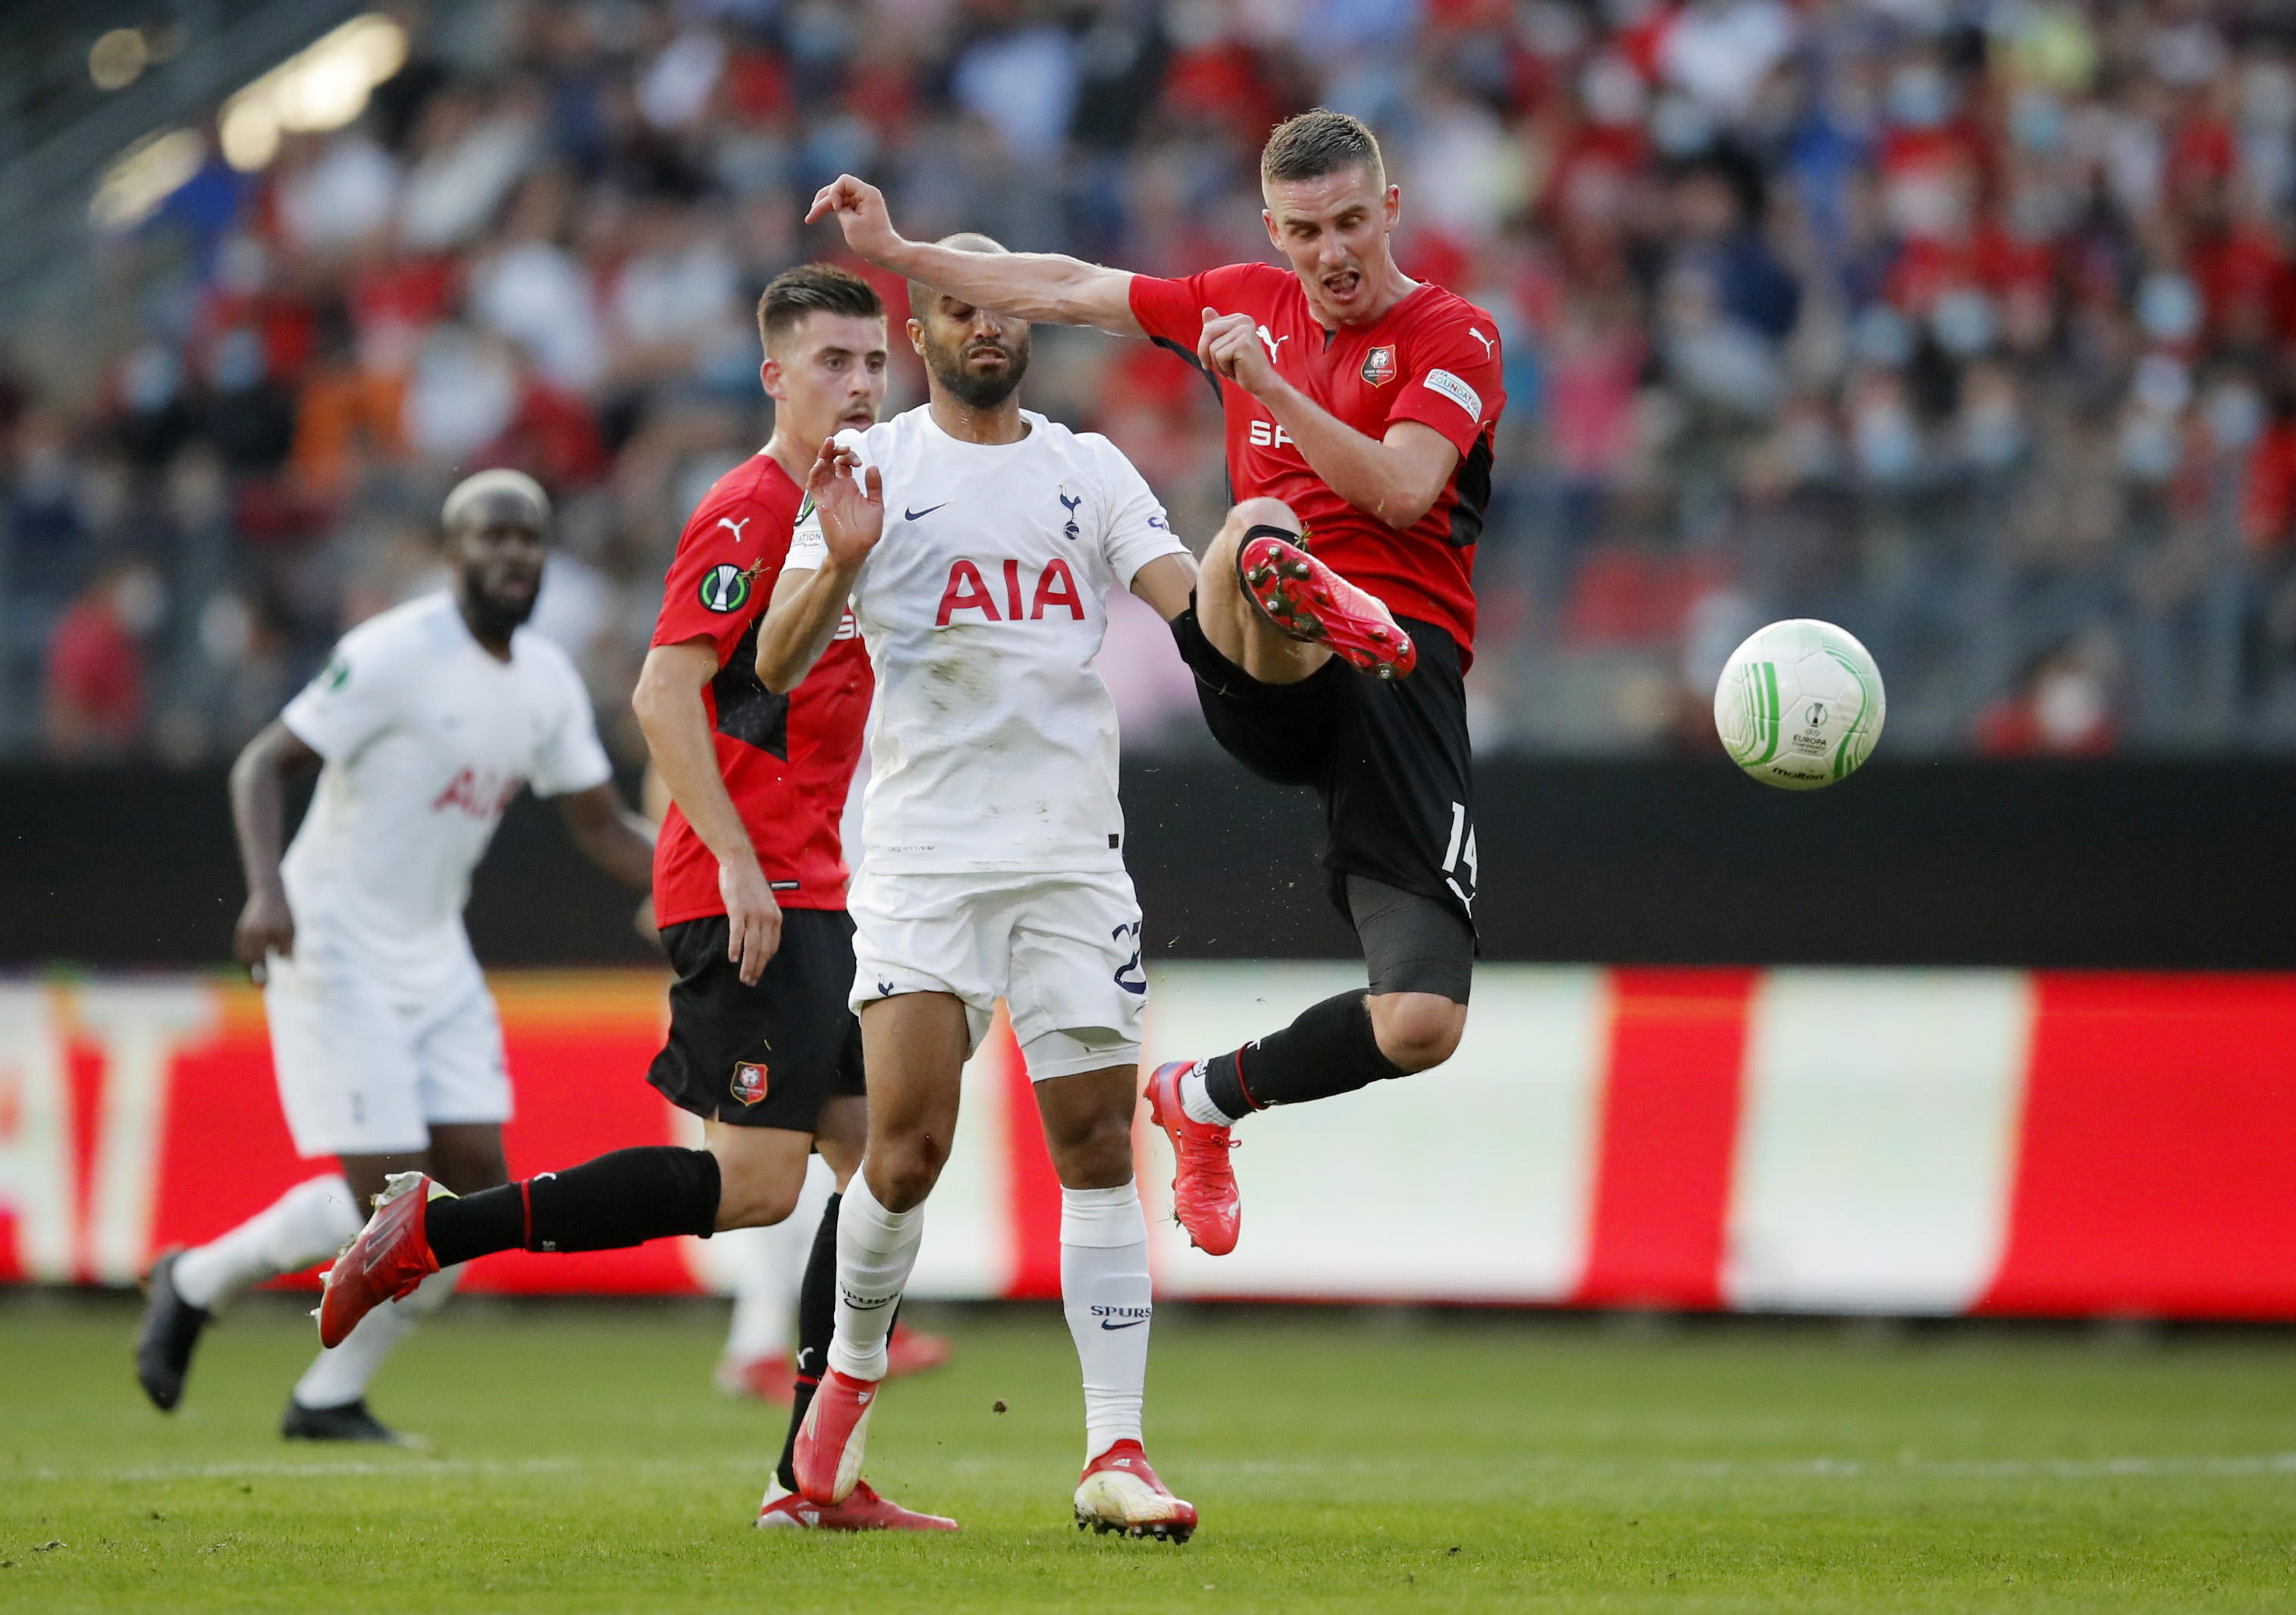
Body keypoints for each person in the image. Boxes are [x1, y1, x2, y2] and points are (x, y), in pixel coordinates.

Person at [806, 108, 1506, 1257]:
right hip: (1271, 664)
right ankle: (1290, 584)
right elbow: (1069, 283)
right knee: (1256, 528)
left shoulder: (1455, 335)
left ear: (1390, 211)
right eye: (1303, 232)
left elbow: (1400, 492)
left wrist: (1270, 391)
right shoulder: (1243, 295)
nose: (1330, 253)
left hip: (1404, 678)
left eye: (1347, 224)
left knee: (1424, 1020)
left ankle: (1207, 1096)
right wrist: (899, 255)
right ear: (1272, 231)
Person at [316, 265, 950, 1532]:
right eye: (833, 362)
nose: (861, 384)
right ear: (775, 377)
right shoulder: (749, 505)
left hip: (823, 886)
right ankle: (437, 1236)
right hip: (754, 886)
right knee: (760, 1189)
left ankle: (812, 1472)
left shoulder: (859, 504)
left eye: (874, 362)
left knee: (887, 1162)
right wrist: (725, 858)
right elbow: (664, 695)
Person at [770, 236, 1203, 1539]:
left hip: (1071, 860)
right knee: (902, 1154)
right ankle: (844, 1385)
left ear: (1026, 321)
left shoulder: (1089, 469)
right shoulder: (874, 470)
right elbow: (776, 664)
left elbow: (1191, 608)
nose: (983, 328)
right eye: (955, 309)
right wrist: (840, 562)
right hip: (923, 861)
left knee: (1091, 1150)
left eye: (1001, 307)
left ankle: (1113, 1453)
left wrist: (1261, 594)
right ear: (921, 334)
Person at [134, 469, 655, 1444]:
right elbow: (262, 763)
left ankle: (326, 1396)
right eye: (489, 539)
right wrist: (266, 890)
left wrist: (696, 889)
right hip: (331, 939)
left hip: (434, 952)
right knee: (381, 1198)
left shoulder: (543, 679)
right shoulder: (391, 654)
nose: (510, 555)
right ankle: (197, 1279)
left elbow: (599, 824)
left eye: (527, 539)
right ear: (450, 556)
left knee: (473, 1208)